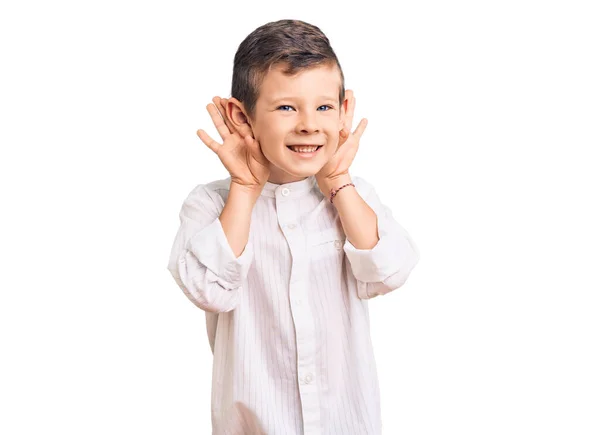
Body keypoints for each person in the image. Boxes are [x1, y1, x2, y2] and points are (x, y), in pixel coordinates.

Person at [167, 18, 420, 435]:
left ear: (342, 109)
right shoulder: (210, 204)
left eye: (324, 107)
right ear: (240, 116)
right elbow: (209, 291)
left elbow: (390, 270)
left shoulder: (350, 196)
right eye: (286, 107)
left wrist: (339, 183)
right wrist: (246, 188)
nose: (308, 124)